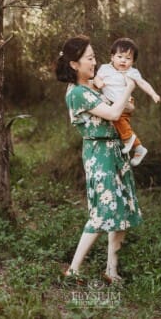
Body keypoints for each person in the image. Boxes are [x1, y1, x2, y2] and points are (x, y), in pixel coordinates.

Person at [55, 35, 142, 283]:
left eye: (94, 57)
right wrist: (128, 88)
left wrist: (123, 97)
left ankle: (111, 270)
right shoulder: (78, 93)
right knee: (102, 212)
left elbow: (127, 109)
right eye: (90, 58)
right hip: (100, 155)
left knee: (121, 211)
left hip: (117, 151)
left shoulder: (94, 84)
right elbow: (116, 111)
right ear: (74, 64)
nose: (95, 62)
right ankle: (73, 270)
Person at [94, 37, 161, 166]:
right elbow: (96, 77)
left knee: (118, 120)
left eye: (128, 58)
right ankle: (139, 148)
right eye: (120, 56)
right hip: (112, 102)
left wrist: (153, 94)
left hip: (125, 102)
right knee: (120, 125)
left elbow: (143, 83)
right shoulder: (105, 69)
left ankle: (129, 139)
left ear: (133, 61)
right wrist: (99, 83)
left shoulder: (131, 72)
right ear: (112, 57)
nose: (123, 61)